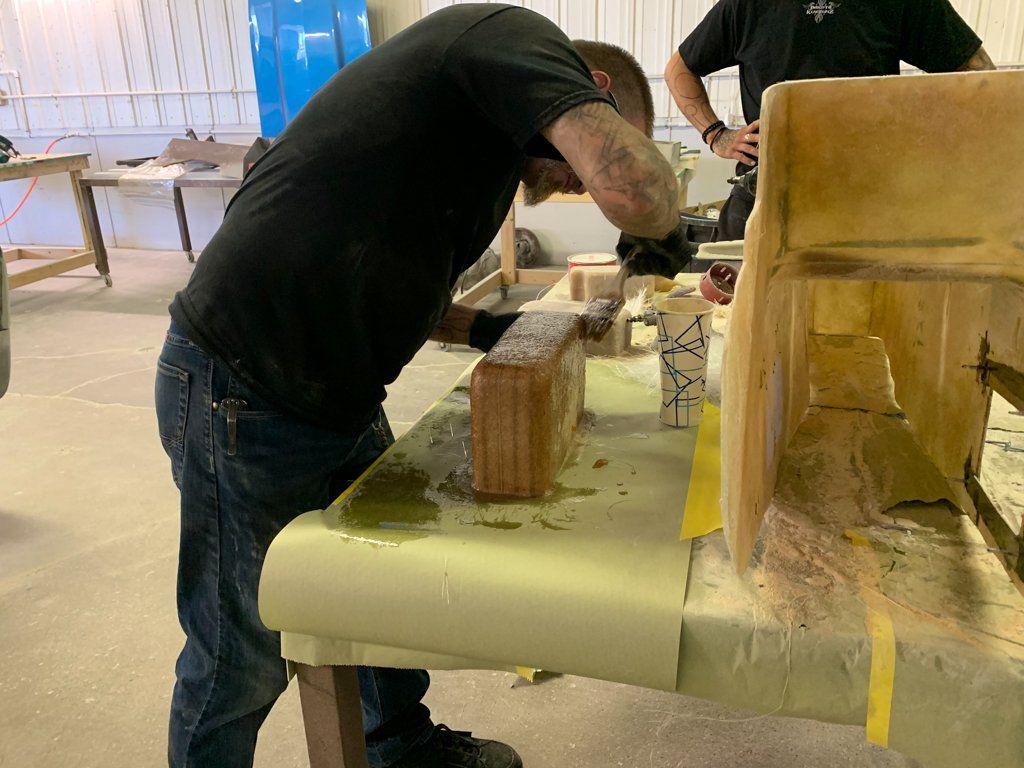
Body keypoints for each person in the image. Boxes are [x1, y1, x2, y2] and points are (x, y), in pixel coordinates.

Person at [155, 4, 692, 768]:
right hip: (238, 383)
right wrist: (660, 236)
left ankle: (399, 744)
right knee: (239, 646)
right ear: (588, 86)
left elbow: (396, 281)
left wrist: (488, 332)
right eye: (602, 141)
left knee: (372, 579)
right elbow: (637, 192)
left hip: (329, 386)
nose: (579, 181)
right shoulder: (509, 33)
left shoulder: (472, 152)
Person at [665, 0, 996, 241]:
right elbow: (679, 69)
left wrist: (922, 141)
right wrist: (716, 134)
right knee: (730, 320)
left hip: (868, 205)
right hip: (766, 195)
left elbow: (980, 78)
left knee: (861, 324)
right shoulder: (747, 4)